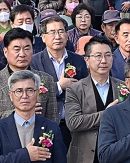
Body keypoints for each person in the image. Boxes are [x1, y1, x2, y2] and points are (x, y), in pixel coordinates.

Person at [0, 28, 57, 135]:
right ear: (5, 52)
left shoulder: (46, 80)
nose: (22, 54)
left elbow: (53, 121)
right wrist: (15, 114)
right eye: (17, 49)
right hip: (4, 146)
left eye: (27, 48)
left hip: (38, 144)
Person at [31, 15, 88, 143]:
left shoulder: (78, 60)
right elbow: (34, 95)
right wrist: (58, 86)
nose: (57, 36)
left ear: (67, 35)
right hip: (46, 125)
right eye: (52, 32)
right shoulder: (34, 62)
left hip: (74, 124)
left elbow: (86, 90)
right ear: (43, 37)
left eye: (61, 31)